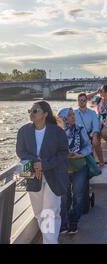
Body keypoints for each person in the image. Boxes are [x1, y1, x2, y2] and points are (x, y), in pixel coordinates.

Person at [16, 101, 69, 244]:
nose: (31, 114)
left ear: (45, 114)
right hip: (31, 174)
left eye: (35, 111)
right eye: (30, 111)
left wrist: (44, 165)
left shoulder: (57, 132)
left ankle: (50, 242)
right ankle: (49, 239)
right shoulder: (23, 131)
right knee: (39, 211)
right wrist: (36, 164)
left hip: (54, 174)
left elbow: (64, 152)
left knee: (50, 211)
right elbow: (20, 152)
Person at [57, 108, 93, 235]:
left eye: (73, 115)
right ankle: (63, 223)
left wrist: (79, 154)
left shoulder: (80, 129)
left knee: (78, 196)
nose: (73, 117)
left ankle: (73, 222)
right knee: (63, 197)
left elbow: (88, 147)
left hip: (79, 166)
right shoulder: (56, 132)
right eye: (70, 115)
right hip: (63, 168)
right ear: (63, 118)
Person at [87, 83, 107, 153]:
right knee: (95, 137)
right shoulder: (99, 100)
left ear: (106, 92)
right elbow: (86, 98)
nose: (100, 92)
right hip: (98, 121)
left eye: (101, 91)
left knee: (104, 132)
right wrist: (96, 92)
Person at [75, 93, 105, 168]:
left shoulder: (92, 113)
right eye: (80, 100)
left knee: (96, 142)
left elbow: (95, 126)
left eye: (84, 100)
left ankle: (101, 161)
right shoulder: (73, 113)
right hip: (78, 136)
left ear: (86, 101)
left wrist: (94, 135)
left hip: (89, 135)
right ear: (78, 101)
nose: (82, 102)